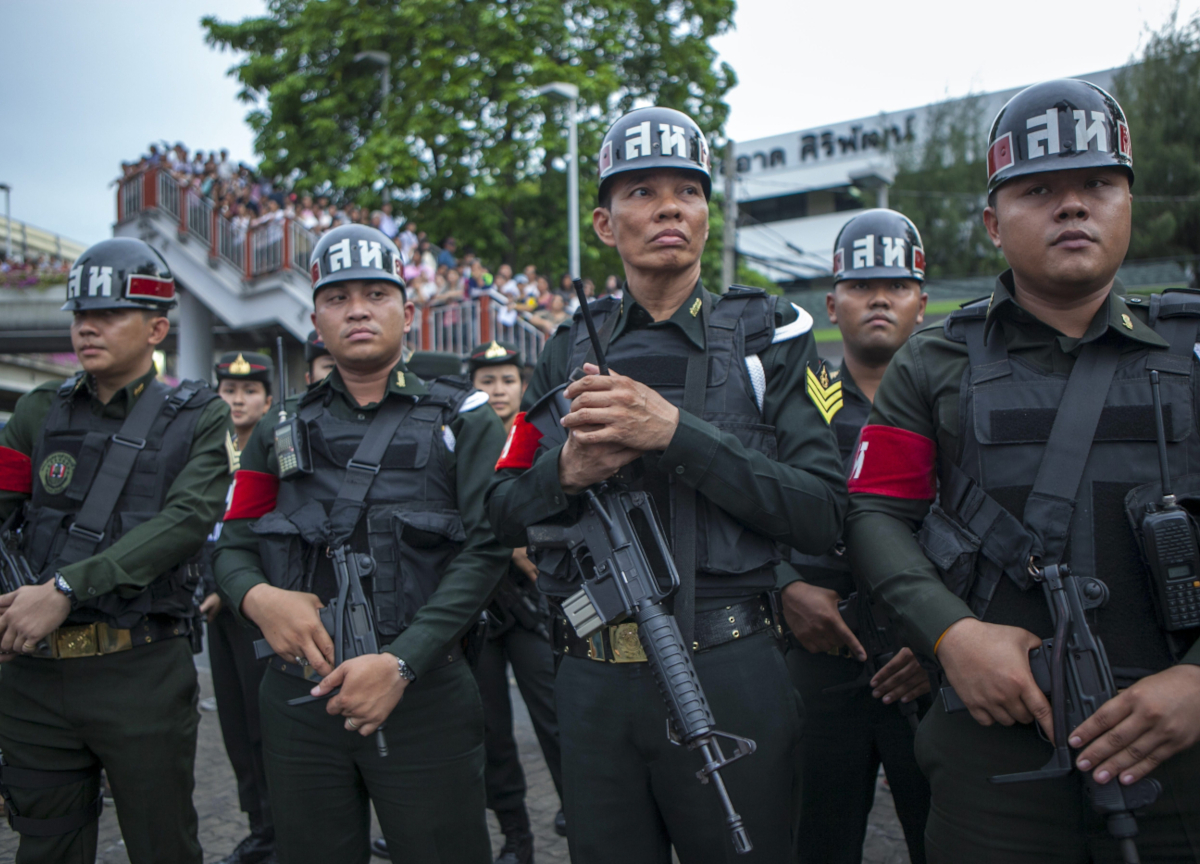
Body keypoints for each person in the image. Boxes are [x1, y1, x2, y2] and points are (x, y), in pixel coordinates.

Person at [845, 79, 1200, 863]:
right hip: (993, 765)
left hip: (1184, 762)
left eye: (1097, 185)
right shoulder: (931, 363)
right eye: (1039, 190)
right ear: (993, 224)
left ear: (1128, 203)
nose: (1072, 207)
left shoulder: (1192, 351)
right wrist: (952, 636)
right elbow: (874, 515)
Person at [487, 106, 847, 863]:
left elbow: (821, 513)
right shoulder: (563, 354)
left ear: (708, 215)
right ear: (605, 222)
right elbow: (499, 513)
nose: (670, 208)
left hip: (729, 665)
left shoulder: (770, 335)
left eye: (689, 191)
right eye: (643, 191)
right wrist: (564, 473)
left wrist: (676, 434)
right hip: (589, 678)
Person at [213, 223, 510, 864]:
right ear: (315, 317)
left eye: (375, 294)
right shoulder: (278, 426)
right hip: (300, 698)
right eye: (338, 297)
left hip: (426, 693)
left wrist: (402, 662)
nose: (356, 310)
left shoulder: (466, 417)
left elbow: (487, 551)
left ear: (407, 312)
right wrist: (259, 598)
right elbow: (230, 544)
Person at [0, 238, 230, 864]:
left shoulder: (200, 416)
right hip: (33, 676)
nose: (87, 327)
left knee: (162, 846)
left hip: (140, 672)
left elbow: (186, 521)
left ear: (157, 328)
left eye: (109, 314)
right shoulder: (36, 410)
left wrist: (66, 588)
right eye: (79, 314)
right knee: (43, 845)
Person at [779, 209, 931, 864]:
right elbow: (749, 511)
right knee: (817, 838)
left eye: (895, 286)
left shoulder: (952, 396)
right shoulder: (798, 400)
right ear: (831, 303)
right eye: (862, 284)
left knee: (941, 835)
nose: (878, 298)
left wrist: (943, 642)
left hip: (926, 657)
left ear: (921, 305)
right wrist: (784, 587)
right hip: (821, 651)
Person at [469, 341, 566, 864]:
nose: (498, 390)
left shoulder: (542, 432)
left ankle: (581, 806)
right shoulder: (456, 437)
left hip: (535, 604)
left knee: (555, 713)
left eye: (507, 380)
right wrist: (507, 541)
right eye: (486, 380)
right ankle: (516, 836)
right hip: (480, 607)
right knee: (491, 732)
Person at [200, 351, 279, 864]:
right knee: (233, 725)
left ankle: (284, 828)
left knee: (262, 724)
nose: (238, 399)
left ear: (267, 400)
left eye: (248, 392)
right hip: (214, 609)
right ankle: (261, 826)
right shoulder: (207, 453)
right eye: (229, 390)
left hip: (260, 607)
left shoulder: (276, 450)